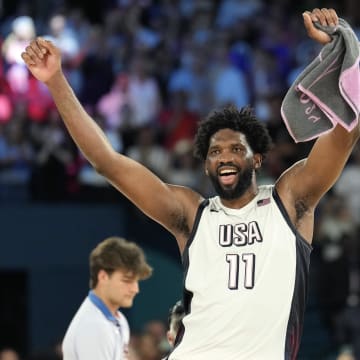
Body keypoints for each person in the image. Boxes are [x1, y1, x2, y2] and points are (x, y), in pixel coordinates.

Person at [21, 7, 360, 359]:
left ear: (256, 158)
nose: (224, 157)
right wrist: (56, 81)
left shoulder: (289, 200)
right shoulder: (192, 214)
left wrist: (343, 47)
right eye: (215, 151)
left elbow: (345, 135)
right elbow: (107, 163)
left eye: (235, 149)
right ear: (206, 163)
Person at [61, 236, 152, 360]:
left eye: (136, 281)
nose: (135, 289)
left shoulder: (119, 320)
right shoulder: (94, 326)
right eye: (127, 280)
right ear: (103, 277)